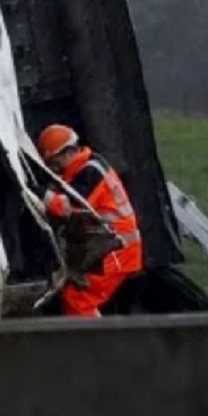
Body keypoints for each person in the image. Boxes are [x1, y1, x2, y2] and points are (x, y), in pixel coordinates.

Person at [36, 123, 145, 317]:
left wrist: (40, 193)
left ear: (69, 152)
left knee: (78, 298)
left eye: (54, 162)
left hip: (115, 251)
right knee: (75, 295)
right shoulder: (90, 166)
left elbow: (67, 207)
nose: (54, 169)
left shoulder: (90, 174)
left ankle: (92, 336)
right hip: (113, 248)